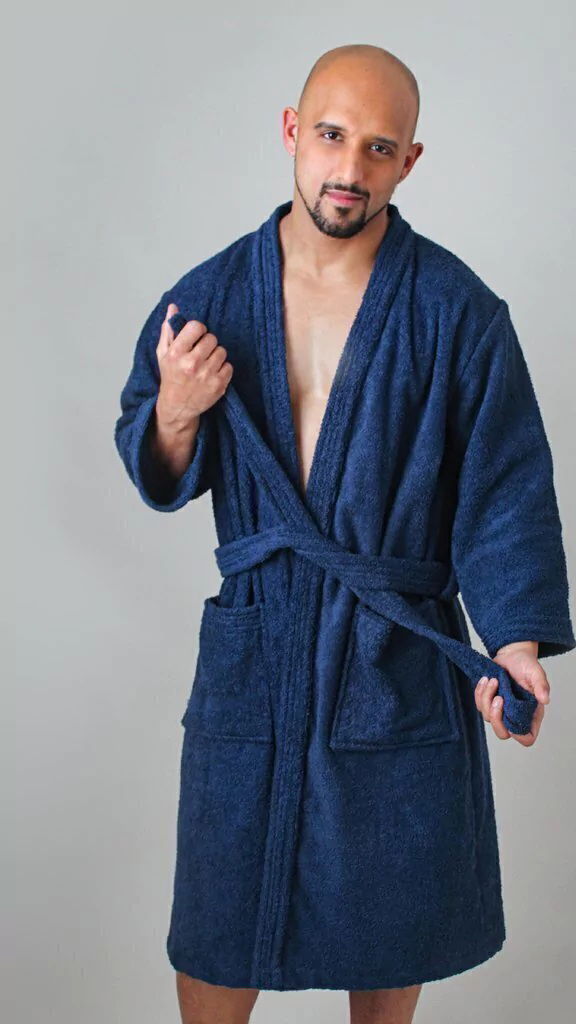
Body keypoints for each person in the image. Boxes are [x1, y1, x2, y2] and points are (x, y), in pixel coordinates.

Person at [114, 43, 575, 1024]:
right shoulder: (209, 298)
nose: (349, 168)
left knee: (391, 925)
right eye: (331, 136)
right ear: (292, 131)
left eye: (379, 147)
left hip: (394, 652)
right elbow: (153, 460)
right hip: (257, 649)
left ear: (410, 160)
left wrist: (516, 646)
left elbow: (505, 488)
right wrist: (177, 413)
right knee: (219, 922)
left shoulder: (456, 311)